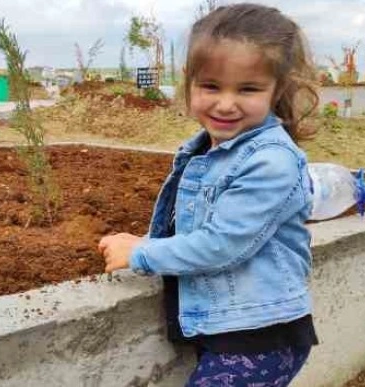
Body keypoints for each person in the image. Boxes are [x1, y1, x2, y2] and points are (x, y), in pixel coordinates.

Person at [98, 3, 320, 386]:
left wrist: (142, 254)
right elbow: (202, 224)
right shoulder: (208, 148)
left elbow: (222, 243)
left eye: (248, 89)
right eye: (211, 86)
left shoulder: (271, 161)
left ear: (276, 89)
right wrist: (150, 240)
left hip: (260, 338)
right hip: (229, 329)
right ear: (189, 81)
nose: (225, 103)